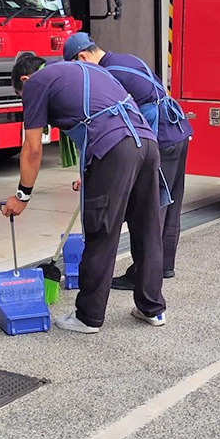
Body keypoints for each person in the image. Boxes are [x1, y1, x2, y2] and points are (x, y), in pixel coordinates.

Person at [1, 54, 167, 333]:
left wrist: (22, 195)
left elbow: (32, 149)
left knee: (101, 230)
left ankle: (88, 316)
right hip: (147, 144)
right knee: (147, 228)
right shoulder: (84, 69)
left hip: (115, 148)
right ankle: (152, 308)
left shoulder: (35, 84)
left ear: (24, 80)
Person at [63, 32, 193, 287]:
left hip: (160, 138)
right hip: (178, 132)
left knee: (147, 212)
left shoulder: (108, 75)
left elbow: (115, 125)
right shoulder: (125, 59)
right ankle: (164, 267)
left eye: (78, 67)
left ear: (83, 56)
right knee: (171, 204)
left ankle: (142, 275)